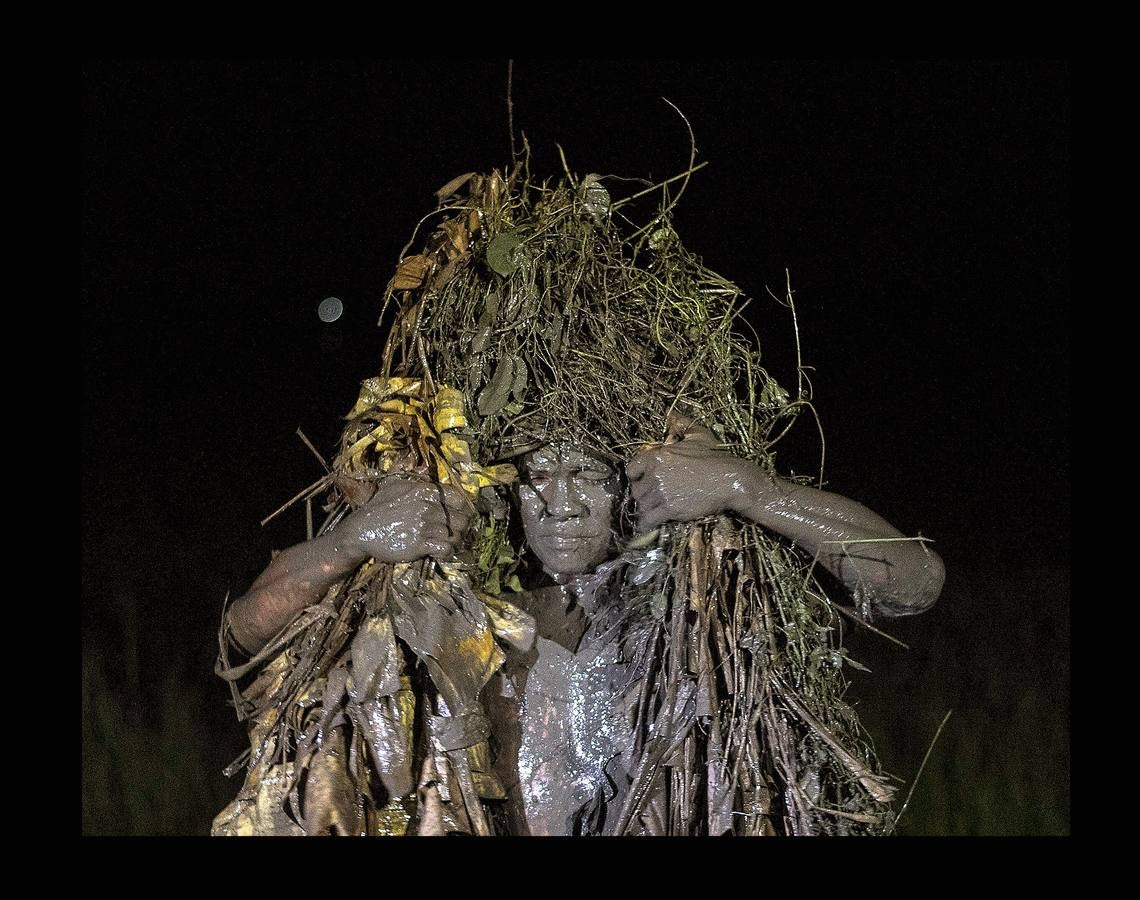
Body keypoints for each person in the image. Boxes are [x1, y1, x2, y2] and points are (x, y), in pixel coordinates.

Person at [217, 420, 943, 835]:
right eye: (535, 475)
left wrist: (746, 487)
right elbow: (246, 637)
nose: (558, 504)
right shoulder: (472, 614)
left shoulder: (694, 608)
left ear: (632, 481)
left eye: (586, 473)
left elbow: (915, 581)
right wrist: (351, 542)